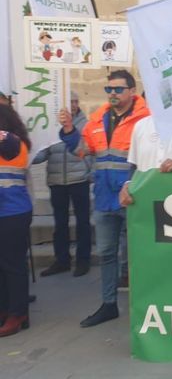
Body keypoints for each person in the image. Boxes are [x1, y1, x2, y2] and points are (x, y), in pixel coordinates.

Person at [59, 69, 150, 327]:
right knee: (107, 253)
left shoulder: (146, 120)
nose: (112, 93)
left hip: (134, 197)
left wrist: (134, 186)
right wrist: (69, 130)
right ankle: (109, 305)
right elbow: (82, 151)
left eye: (118, 89)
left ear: (132, 91)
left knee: (140, 255)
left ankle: (145, 305)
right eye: (109, 89)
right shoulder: (98, 119)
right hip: (103, 198)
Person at [32, 91, 93, 277]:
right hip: (57, 180)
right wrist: (29, 156)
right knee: (60, 224)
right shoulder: (52, 126)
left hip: (79, 179)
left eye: (75, 102)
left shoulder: (86, 124)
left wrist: (91, 171)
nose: (73, 105)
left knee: (83, 222)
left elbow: (90, 149)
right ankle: (62, 260)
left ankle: (83, 261)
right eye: (69, 102)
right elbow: (43, 153)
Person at [0, 106, 34, 337]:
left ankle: (18, 313)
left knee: (13, 265)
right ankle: (6, 309)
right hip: (8, 211)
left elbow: (9, 146)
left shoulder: (12, 141)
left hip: (12, 212)